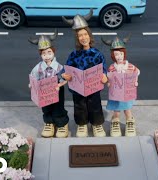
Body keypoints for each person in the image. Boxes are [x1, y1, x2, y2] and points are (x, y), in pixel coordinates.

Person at [61, 9, 108, 137]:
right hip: (78, 88)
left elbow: (103, 67)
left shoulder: (97, 54)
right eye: (80, 35)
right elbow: (66, 69)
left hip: (93, 87)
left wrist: (105, 76)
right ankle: (81, 124)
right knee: (79, 105)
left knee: (95, 104)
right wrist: (65, 75)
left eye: (85, 34)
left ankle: (97, 123)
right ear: (77, 38)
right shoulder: (74, 55)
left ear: (89, 35)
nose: (83, 38)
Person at [28, 29, 69, 138]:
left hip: (57, 89)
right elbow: (33, 76)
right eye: (44, 53)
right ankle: (49, 122)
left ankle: (61, 123)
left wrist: (60, 85)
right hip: (43, 91)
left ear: (53, 52)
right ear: (41, 55)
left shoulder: (59, 67)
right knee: (46, 107)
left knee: (58, 107)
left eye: (49, 52)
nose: (47, 56)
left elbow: (64, 77)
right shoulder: (39, 67)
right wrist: (32, 84)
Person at [101, 35, 140, 137]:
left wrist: (135, 81)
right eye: (116, 54)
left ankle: (129, 121)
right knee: (117, 110)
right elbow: (109, 76)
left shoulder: (130, 66)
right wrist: (108, 82)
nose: (119, 56)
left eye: (121, 54)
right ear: (113, 56)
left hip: (126, 92)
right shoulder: (112, 67)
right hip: (116, 92)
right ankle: (115, 121)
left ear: (124, 54)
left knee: (127, 109)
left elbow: (136, 72)